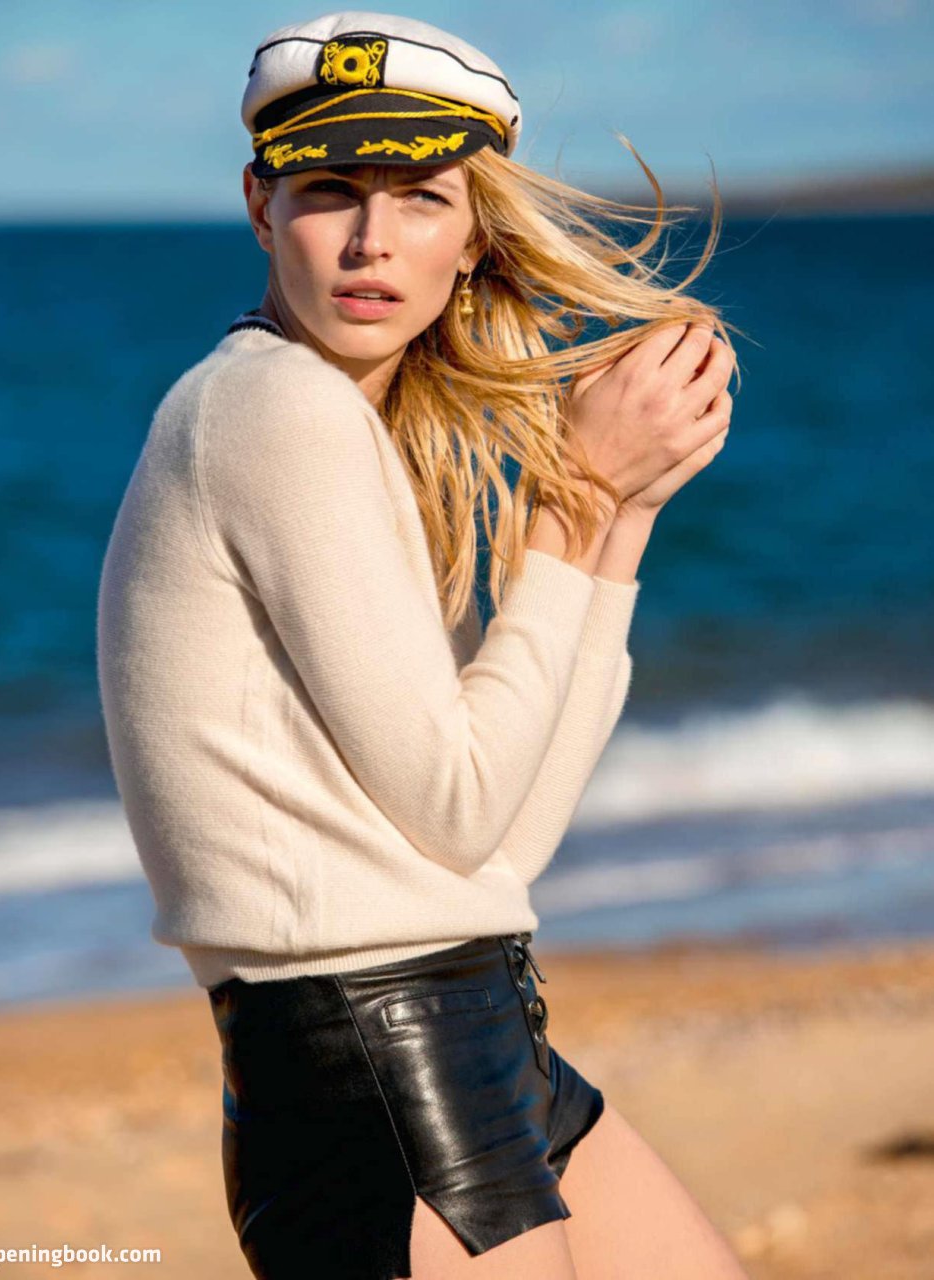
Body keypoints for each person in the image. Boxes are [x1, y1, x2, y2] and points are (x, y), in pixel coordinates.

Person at [96, 11, 747, 1279]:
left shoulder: (345, 424)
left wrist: (620, 521)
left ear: (474, 234)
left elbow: (501, 849)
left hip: (480, 1027)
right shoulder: (272, 407)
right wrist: (572, 506)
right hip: (375, 1076)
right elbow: (460, 805)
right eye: (330, 190)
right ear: (261, 205)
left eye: (420, 198)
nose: (370, 239)